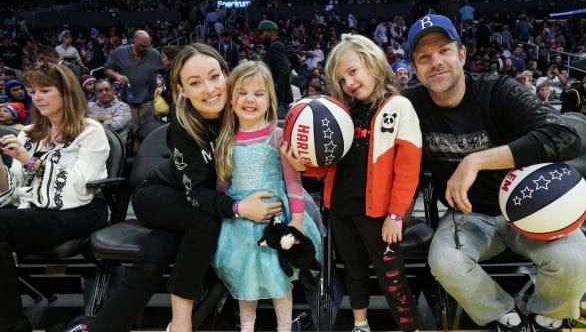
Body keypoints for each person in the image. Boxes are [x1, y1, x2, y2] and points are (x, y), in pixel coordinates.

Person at [402, 14, 586, 332]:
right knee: (445, 262)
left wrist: (475, 161)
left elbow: (566, 137)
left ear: (462, 54)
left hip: (531, 209)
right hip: (469, 215)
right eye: (424, 57)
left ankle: (548, 318)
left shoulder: (498, 90)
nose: (435, 62)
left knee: (575, 260)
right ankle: (505, 317)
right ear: (415, 67)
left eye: (444, 51)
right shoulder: (410, 105)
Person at [76, 43, 282, 332]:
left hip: (194, 207)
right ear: (182, 89)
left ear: (226, 74)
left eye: (214, 77)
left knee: (154, 257)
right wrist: (239, 208)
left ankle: (103, 327)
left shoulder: (243, 111)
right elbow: (198, 195)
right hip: (159, 197)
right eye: (195, 83)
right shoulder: (183, 128)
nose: (209, 89)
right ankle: (182, 323)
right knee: (207, 219)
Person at [288, 34, 423, 332]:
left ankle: (410, 327)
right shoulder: (341, 113)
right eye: (342, 78)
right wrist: (303, 165)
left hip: (380, 216)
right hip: (341, 209)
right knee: (353, 272)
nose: (349, 82)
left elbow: (408, 171)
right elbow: (328, 166)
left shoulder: (399, 106)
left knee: (392, 275)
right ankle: (360, 324)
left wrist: (396, 215)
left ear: (374, 64)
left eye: (353, 72)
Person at [212, 61, 322, 332]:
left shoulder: (278, 136)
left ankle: (284, 327)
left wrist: (296, 220)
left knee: (278, 276)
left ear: (270, 99)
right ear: (230, 100)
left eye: (259, 93)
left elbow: (293, 183)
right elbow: (222, 185)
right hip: (239, 226)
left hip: (277, 220)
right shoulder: (225, 140)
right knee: (245, 277)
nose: (250, 99)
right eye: (242, 92)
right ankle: (246, 327)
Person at [0, 63, 109, 332]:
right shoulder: (29, 133)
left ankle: (11, 325)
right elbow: (15, 191)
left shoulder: (90, 131)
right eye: (33, 91)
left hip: (80, 210)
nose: (37, 97)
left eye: (45, 90)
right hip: (37, 209)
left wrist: (30, 161)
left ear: (66, 93)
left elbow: (75, 189)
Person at [104, 30, 164, 134]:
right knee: (131, 135)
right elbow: (107, 69)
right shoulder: (120, 52)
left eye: (148, 46)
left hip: (148, 102)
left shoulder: (154, 54)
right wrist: (117, 75)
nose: (145, 49)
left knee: (149, 134)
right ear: (133, 41)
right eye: (142, 46)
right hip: (127, 103)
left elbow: (165, 72)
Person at [258, 20, 293, 116]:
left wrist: (274, 90)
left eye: (262, 32)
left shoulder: (276, 46)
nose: (260, 36)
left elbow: (285, 70)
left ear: (271, 32)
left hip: (279, 100)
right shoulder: (273, 47)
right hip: (277, 100)